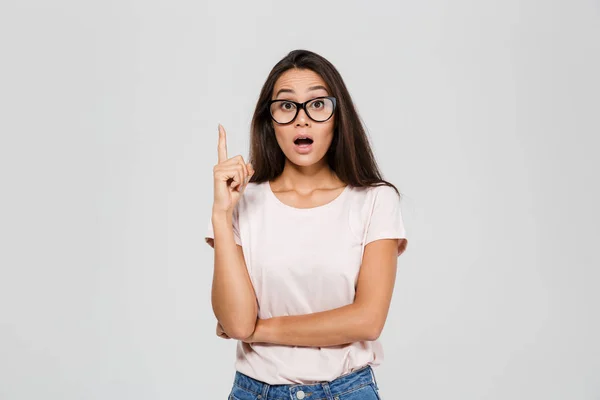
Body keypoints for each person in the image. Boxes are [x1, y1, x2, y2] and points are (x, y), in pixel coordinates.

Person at [205, 49, 408, 400]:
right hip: (254, 392)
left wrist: (260, 330)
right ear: (270, 121)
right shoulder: (243, 202)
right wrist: (221, 217)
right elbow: (237, 324)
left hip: (347, 390)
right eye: (286, 106)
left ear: (337, 116)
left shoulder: (375, 200)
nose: (302, 119)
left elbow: (368, 320)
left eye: (317, 105)